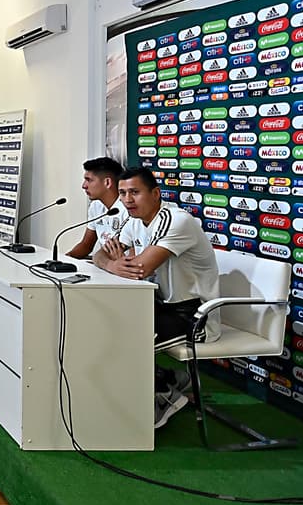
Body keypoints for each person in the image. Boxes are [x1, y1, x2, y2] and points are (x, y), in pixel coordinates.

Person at [93, 166, 220, 429]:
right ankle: (166, 378)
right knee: (105, 323)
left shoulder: (175, 220)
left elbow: (141, 268)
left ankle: (165, 397)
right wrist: (112, 265)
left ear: (156, 194)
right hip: (161, 306)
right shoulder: (135, 221)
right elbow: (99, 255)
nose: (128, 199)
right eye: (123, 193)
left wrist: (122, 262)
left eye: (135, 192)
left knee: (122, 335)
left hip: (194, 316)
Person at [66, 156, 125, 260]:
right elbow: (86, 245)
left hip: (124, 269)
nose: (84, 186)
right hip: (104, 265)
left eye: (89, 180)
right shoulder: (96, 206)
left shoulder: (129, 208)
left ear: (107, 182)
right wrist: (65, 259)